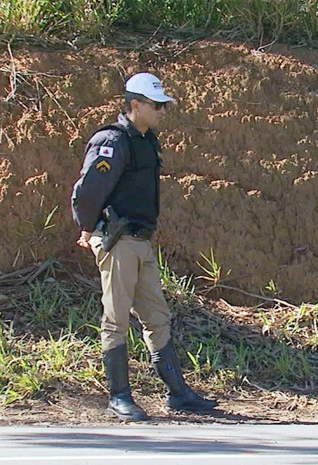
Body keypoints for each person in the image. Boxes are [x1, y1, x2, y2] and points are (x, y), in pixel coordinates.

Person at [71, 72, 217, 421]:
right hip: (118, 240)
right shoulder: (113, 141)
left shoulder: (146, 141)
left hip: (139, 240)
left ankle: (177, 393)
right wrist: (87, 227)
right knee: (116, 318)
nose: (162, 111)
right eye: (157, 105)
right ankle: (119, 396)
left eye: (164, 105)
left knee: (157, 316)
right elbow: (88, 190)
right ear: (135, 104)